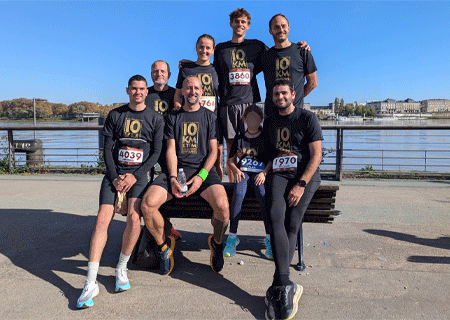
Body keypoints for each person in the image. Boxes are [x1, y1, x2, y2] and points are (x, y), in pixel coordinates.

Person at [77, 75, 164, 309]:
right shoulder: (115, 115)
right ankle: (90, 281)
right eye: (134, 89)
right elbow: (107, 149)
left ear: (147, 91)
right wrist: (115, 177)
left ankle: (121, 268)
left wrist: (135, 175)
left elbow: (156, 153)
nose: (138, 92)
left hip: (138, 176)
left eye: (142, 89)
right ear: (128, 90)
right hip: (114, 176)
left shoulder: (156, 118)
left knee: (135, 219)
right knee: (101, 221)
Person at [141, 75, 230, 275]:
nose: (192, 91)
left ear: (201, 91)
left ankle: (216, 244)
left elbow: (214, 151)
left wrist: (202, 176)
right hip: (176, 171)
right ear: (182, 91)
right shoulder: (173, 117)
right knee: (147, 205)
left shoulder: (210, 116)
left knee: (223, 209)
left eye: (196, 88)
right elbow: (170, 150)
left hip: (203, 172)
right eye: (188, 88)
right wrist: (172, 177)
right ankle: (164, 247)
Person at [213, 8, 310, 182]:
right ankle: (234, 187)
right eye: (236, 21)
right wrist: (191, 64)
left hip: (249, 103)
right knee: (231, 149)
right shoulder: (221, 48)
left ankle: (258, 181)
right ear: (231, 24)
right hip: (228, 104)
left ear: (248, 25)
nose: (239, 24)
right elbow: (214, 74)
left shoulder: (257, 46)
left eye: (243, 22)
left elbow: (280, 49)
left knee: (254, 145)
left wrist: (300, 46)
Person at [263, 79, 323, 320]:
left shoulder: (308, 118)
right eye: (276, 94)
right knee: (276, 216)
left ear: (293, 94)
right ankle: (285, 281)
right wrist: (265, 172)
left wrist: (301, 184)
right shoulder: (270, 121)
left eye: (284, 93)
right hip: (279, 173)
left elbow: (316, 154)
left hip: (303, 176)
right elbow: (270, 154)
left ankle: (280, 281)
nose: (280, 97)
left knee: (292, 222)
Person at [224, 104, 272, 258]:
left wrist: (264, 173)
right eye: (249, 118)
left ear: (260, 119)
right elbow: (231, 161)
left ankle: (269, 238)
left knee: (262, 193)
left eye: (256, 118)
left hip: (259, 174)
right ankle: (232, 236)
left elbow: (272, 159)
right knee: (238, 193)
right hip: (244, 173)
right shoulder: (239, 138)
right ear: (244, 119)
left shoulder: (265, 137)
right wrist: (236, 170)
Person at [174, 34, 224, 180]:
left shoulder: (217, 70)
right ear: (196, 48)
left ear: (213, 50)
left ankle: (216, 187)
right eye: (201, 47)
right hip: (190, 120)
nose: (204, 50)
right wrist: (177, 105)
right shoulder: (186, 69)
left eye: (208, 48)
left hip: (213, 122)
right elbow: (178, 95)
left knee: (216, 161)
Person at [146, 60, 182, 240]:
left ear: (169, 74)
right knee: (146, 187)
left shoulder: (176, 94)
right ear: (151, 74)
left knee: (169, 182)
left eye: (162, 71)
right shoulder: (145, 94)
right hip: (150, 146)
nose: (159, 73)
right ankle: (159, 224)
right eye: (155, 71)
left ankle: (166, 225)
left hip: (170, 146)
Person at [262, 13, 318, 118]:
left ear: (288, 28)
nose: (280, 29)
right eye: (276, 27)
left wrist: (292, 99)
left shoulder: (302, 51)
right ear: (270, 31)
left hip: (296, 114)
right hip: (271, 115)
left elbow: (313, 83)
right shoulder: (265, 56)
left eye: (283, 26)